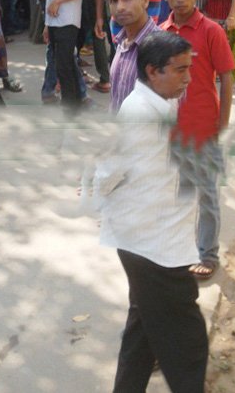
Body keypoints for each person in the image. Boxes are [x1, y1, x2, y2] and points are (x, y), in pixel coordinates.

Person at [93, 32, 205, 393]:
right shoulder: (141, 114)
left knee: (142, 329)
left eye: (189, 68)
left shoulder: (160, 102)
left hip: (153, 237)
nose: (187, 78)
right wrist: (98, 195)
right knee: (186, 339)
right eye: (180, 70)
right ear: (153, 71)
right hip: (151, 246)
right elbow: (110, 167)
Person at [161, 0, 235, 280]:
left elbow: (227, 79)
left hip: (204, 126)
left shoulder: (211, 32)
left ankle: (208, 254)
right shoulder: (161, 32)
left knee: (207, 195)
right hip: (171, 129)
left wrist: (223, 122)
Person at [107, 0, 160, 112]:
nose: (120, 7)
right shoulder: (121, 42)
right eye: (113, 1)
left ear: (145, 1)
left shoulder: (161, 47)